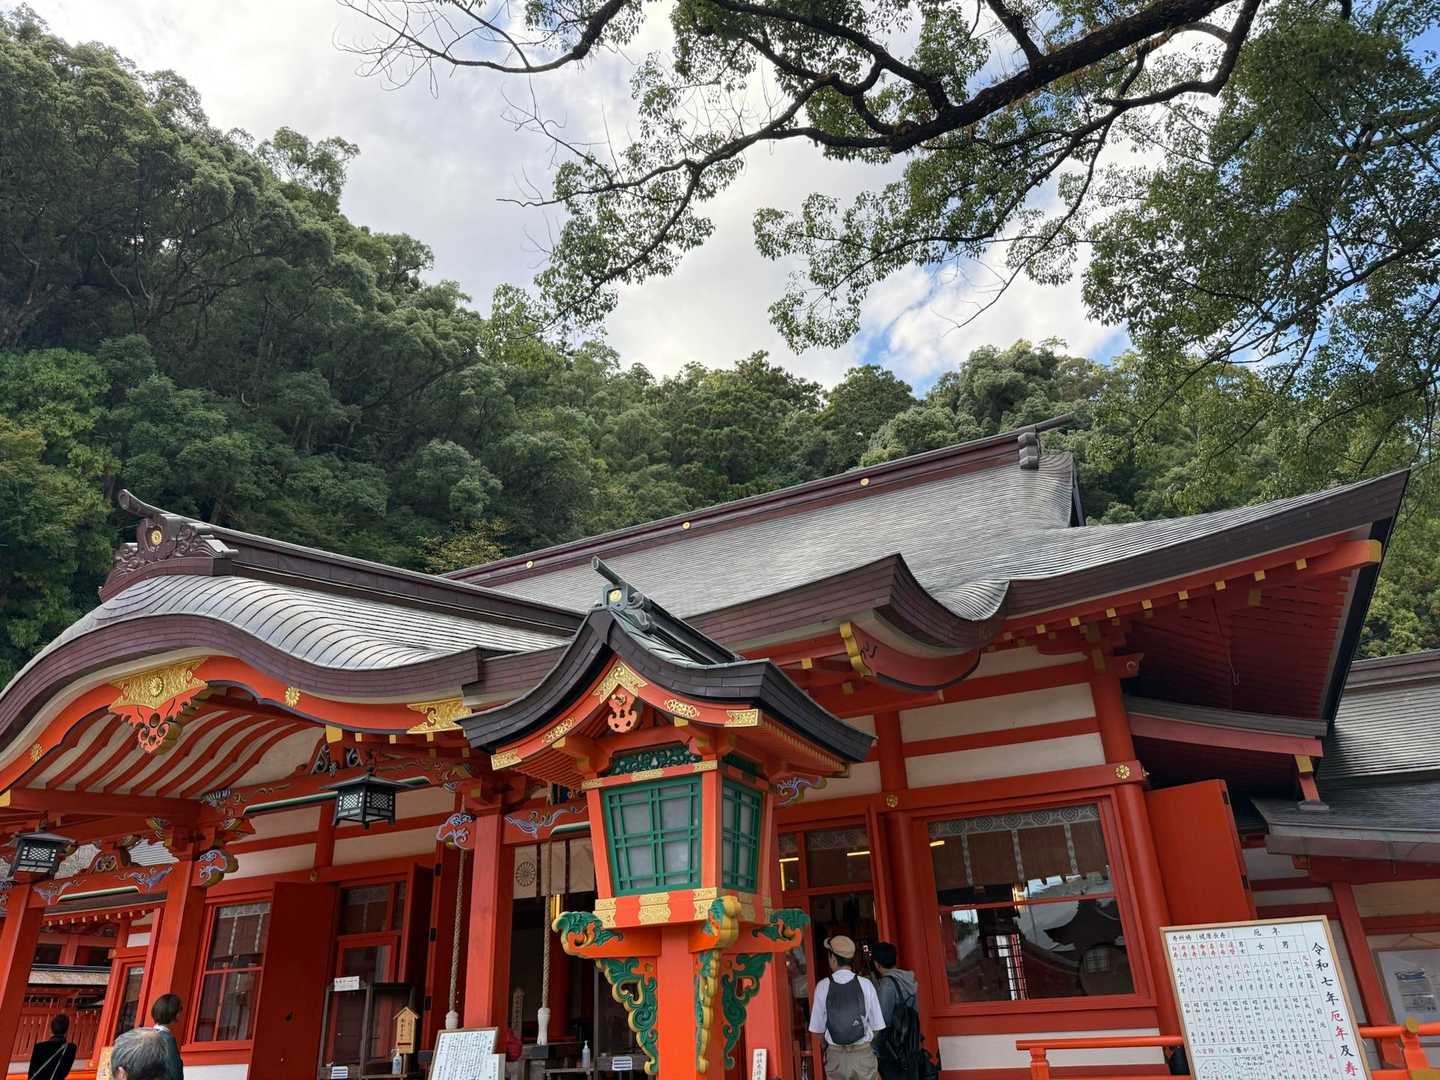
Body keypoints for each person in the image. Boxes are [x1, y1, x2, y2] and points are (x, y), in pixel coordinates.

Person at [807, 934, 885, 1080]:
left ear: (833, 958)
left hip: (836, 1057)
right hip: (862, 1056)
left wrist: (829, 1047)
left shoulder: (823, 986)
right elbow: (877, 1026)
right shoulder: (866, 984)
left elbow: (818, 1030)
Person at [872, 942, 924, 1080]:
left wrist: (873, 1048)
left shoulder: (887, 985)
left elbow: (883, 1022)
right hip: (911, 1043)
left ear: (877, 964)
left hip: (895, 1049)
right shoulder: (908, 979)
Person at [27, 1014, 77, 1080]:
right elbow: (65, 1072)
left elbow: (31, 1075)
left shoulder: (39, 1047)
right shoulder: (71, 1048)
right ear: (67, 1031)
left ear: (51, 1029)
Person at [149, 994, 185, 1080]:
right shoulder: (167, 1039)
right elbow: (176, 1074)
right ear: (173, 1013)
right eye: (180, 1010)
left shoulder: (145, 1035)